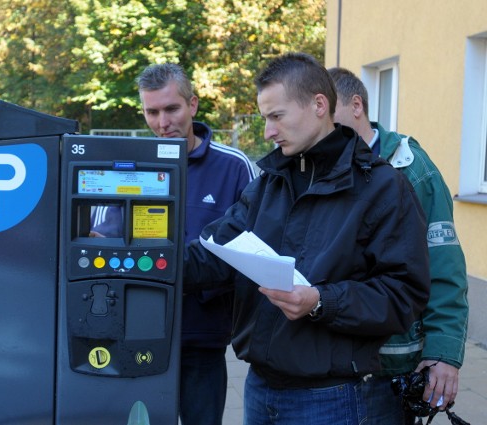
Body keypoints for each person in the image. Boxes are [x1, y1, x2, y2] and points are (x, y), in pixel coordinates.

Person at [182, 52, 431, 425]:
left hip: (330, 399)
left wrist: (321, 301)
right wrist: (146, 261)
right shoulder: (267, 183)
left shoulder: (380, 187)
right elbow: (213, 255)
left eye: (276, 116)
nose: (267, 131)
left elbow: (403, 295)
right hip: (259, 388)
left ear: (318, 105)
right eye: (266, 118)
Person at [328, 66, 469, 425]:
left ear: (356, 105)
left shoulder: (411, 168)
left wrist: (444, 354)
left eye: (329, 113)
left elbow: (444, 265)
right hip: (334, 366)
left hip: (391, 369)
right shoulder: (323, 167)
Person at [136, 62, 256, 425]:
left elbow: (251, 248)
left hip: (203, 337)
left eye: (171, 108)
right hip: (139, 332)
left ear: (193, 105)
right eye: (151, 112)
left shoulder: (234, 168)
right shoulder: (129, 165)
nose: (162, 122)